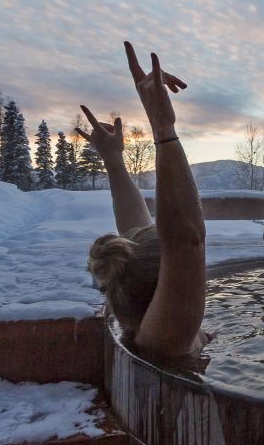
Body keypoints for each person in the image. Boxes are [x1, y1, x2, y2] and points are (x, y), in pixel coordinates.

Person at [84, 42, 208, 359]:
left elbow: (136, 228)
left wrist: (113, 159)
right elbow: (185, 240)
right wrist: (163, 128)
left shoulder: (141, 319)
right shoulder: (165, 337)